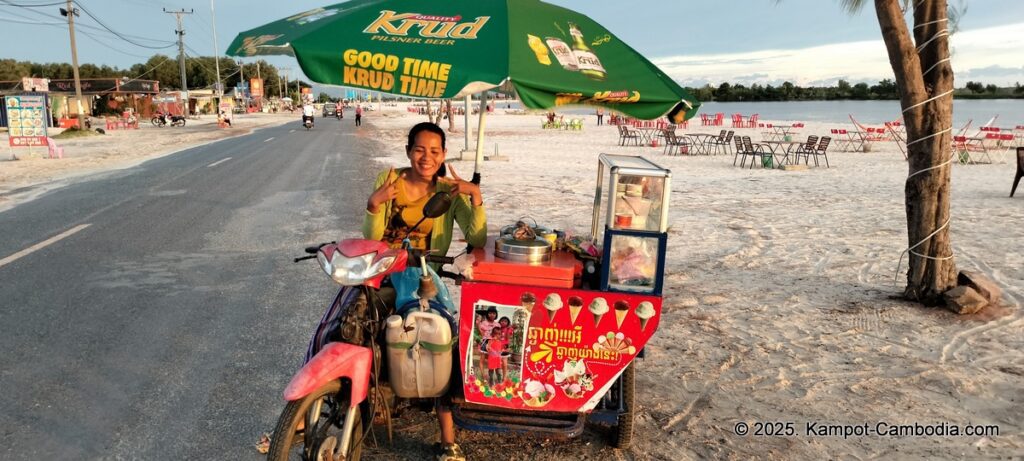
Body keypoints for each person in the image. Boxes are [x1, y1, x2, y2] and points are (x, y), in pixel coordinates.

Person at [363, 122, 485, 461]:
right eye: (419, 149)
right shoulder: (390, 180)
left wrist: (473, 194)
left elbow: (476, 239)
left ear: (444, 155)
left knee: (436, 335)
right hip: (383, 270)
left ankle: (448, 438)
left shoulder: (449, 190)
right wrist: (374, 205)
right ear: (408, 151)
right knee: (347, 324)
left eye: (434, 151)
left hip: (424, 275)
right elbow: (373, 241)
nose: (426, 157)